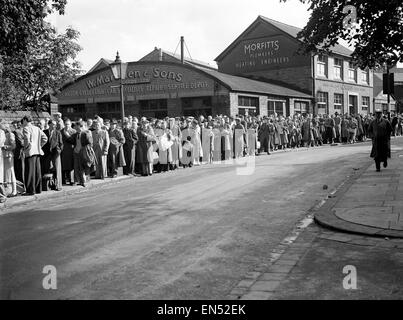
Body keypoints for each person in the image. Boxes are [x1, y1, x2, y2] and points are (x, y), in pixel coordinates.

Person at [22, 115, 48, 195]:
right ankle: (38, 189)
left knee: (29, 172)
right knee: (37, 171)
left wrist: (25, 148)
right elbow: (45, 138)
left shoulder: (26, 128)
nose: (23, 123)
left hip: (30, 152)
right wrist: (39, 146)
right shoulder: (37, 128)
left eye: (23, 121)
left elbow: (26, 139)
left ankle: (30, 190)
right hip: (37, 151)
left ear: (25, 120)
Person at [1, 123, 17, 197]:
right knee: (6, 174)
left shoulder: (10, 134)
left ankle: (14, 191)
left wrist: (5, 147)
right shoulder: (4, 134)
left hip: (9, 155)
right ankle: (8, 190)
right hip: (4, 155)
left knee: (11, 172)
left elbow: (13, 146)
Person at [49, 120, 64, 191]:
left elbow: (61, 144)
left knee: (57, 169)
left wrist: (59, 151)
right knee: (50, 169)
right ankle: (51, 184)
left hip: (56, 153)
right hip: (48, 154)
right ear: (49, 124)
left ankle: (58, 185)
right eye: (53, 124)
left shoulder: (58, 132)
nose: (54, 126)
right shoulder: (45, 131)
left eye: (55, 124)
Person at [61, 119, 76, 185]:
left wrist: (67, 135)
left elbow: (74, 141)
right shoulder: (61, 131)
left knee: (71, 166)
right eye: (66, 124)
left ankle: (71, 180)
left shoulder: (74, 131)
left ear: (70, 125)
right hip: (63, 151)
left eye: (68, 124)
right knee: (63, 166)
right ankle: (63, 180)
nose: (67, 126)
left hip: (71, 150)